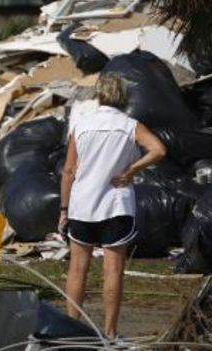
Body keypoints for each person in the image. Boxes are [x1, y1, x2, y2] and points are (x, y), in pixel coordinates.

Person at [58, 71, 167, 338]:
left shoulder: (81, 125)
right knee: (114, 271)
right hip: (115, 206)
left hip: (83, 204)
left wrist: (63, 210)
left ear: (98, 94)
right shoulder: (130, 125)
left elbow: (69, 171)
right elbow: (159, 150)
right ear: (123, 97)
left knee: (77, 269)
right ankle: (109, 333)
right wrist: (132, 170)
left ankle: (71, 330)